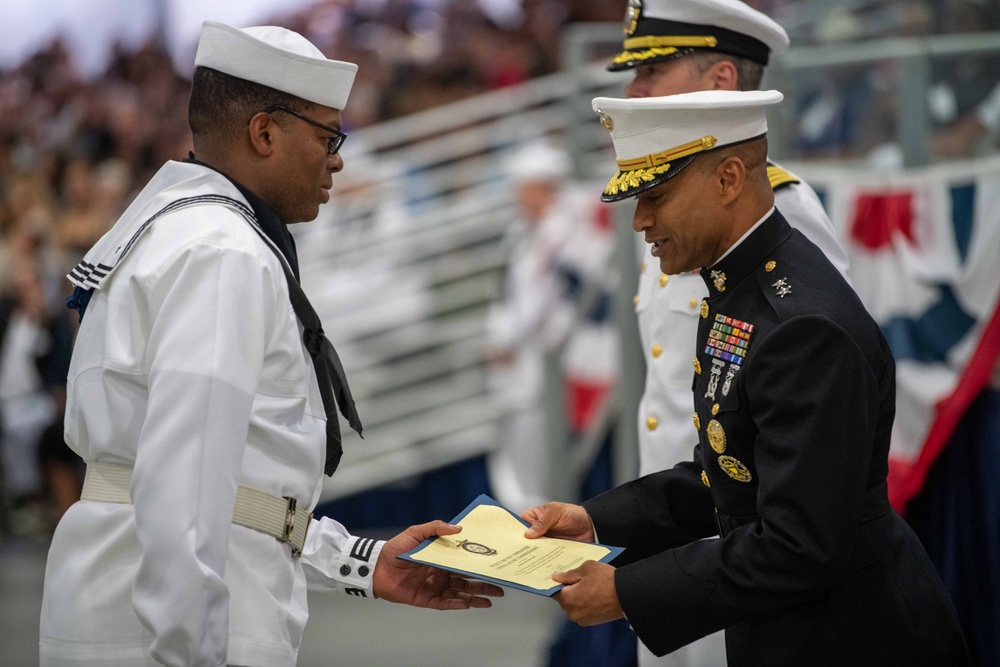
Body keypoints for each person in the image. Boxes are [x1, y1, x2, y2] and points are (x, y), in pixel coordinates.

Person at [38, 21, 501, 667]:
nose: (337, 158)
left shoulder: (188, 229)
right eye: (327, 136)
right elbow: (184, 483)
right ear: (264, 133)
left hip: (136, 608)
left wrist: (360, 561)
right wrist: (192, 652)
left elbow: (234, 487)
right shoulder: (221, 250)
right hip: (169, 635)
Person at [522, 90, 973, 666]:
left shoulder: (800, 325)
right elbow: (733, 470)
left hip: (854, 635)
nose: (640, 221)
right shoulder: (738, 286)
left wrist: (629, 593)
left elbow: (800, 543)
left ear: (729, 178)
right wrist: (595, 521)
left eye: (656, 196)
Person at [608, 3, 851, 663]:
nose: (635, 91)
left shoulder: (778, 213)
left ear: (719, 81)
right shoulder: (677, 213)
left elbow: (821, 389)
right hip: (677, 526)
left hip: (748, 552)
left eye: (652, 71)